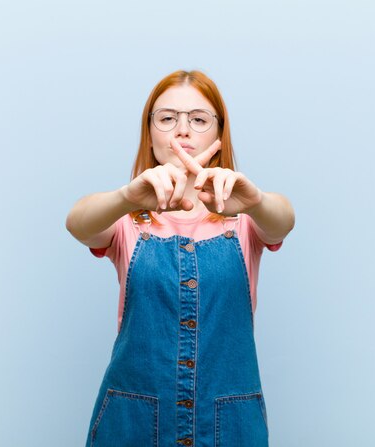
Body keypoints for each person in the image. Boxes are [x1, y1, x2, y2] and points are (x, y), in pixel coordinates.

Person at [66, 69, 295, 447]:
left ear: (218, 136)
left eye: (199, 119)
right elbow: (77, 223)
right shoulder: (127, 221)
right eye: (168, 118)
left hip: (229, 425)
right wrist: (127, 197)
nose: (182, 130)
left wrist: (254, 201)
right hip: (133, 423)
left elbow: (283, 220)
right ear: (150, 132)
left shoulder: (245, 221)